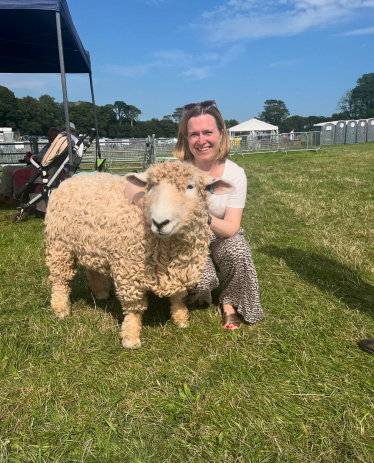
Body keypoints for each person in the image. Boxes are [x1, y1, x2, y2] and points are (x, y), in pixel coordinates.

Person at [125, 100, 263, 330]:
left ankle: (230, 302)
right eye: (194, 134)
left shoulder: (235, 174)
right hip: (185, 239)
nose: (201, 141)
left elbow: (231, 227)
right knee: (202, 282)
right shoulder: (178, 169)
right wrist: (147, 206)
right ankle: (197, 295)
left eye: (208, 132)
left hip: (219, 234)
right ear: (186, 139)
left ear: (220, 134)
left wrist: (202, 215)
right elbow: (131, 186)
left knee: (238, 249)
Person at [0, 127, 60, 203]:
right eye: (48, 135)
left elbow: (48, 160)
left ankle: (16, 196)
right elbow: (40, 156)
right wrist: (30, 158)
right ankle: (5, 195)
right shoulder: (47, 145)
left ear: (56, 136)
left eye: (50, 135)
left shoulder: (56, 148)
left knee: (17, 172)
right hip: (33, 164)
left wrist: (36, 159)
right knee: (6, 168)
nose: (48, 137)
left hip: (39, 168)